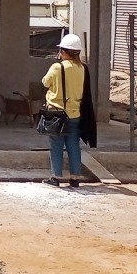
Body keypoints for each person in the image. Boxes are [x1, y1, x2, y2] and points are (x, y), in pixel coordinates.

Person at [42, 33, 87, 187]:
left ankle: (55, 177)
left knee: (56, 145)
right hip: (75, 113)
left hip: (57, 113)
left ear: (64, 51)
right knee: (73, 145)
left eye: (61, 50)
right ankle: (74, 178)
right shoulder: (82, 68)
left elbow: (45, 82)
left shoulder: (57, 67)